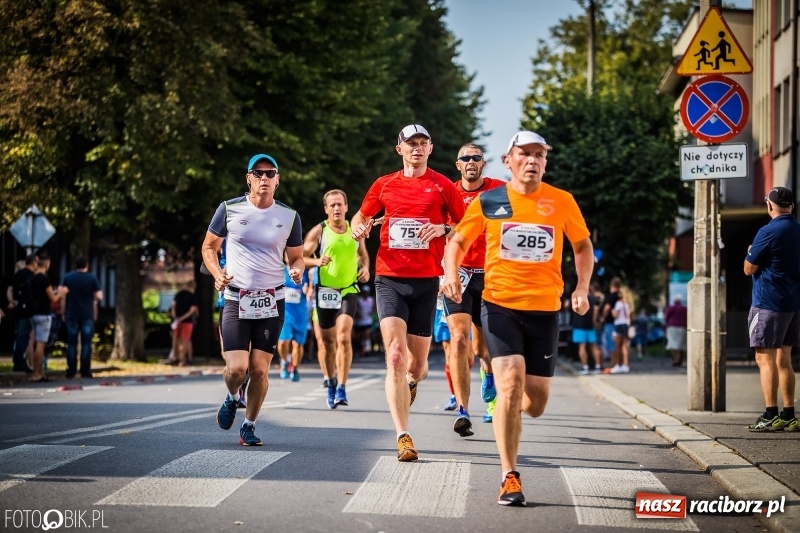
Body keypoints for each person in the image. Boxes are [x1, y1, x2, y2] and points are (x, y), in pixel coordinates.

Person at [442, 131, 593, 506]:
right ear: (508, 161)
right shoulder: (491, 200)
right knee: (509, 384)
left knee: (535, 402)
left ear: (545, 161)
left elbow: (582, 244)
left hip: (544, 311)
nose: (532, 160)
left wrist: (582, 287)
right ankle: (509, 475)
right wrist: (449, 273)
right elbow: (458, 241)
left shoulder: (561, 201)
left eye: (539, 154)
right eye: (524, 154)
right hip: (500, 306)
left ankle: (511, 412)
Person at [351, 124, 465, 462]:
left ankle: (411, 384)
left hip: (427, 281)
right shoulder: (384, 184)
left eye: (422, 143)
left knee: (417, 366)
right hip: (390, 278)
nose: (416, 149)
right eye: (410, 144)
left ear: (430, 148)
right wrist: (359, 226)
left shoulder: (443, 186)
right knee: (396, 356)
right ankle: (403, 436)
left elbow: (468, 225)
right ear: (399, 149)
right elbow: (362, 215)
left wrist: (443, 228)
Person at [201, 153, 304, 446]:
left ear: (278, 180)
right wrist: (216, 271)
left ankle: (249, 425)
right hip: (235, 298)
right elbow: (209, 247)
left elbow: (296, 257)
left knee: (259, 370)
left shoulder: (289, 216)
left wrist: (296, 270)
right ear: (248, 178)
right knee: (236, 369)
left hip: (272, 299)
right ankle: (233, 396)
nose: (264, 179)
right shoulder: (229, 209)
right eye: (258, 174)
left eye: (270, 174)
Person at [441, 142, 504, 437]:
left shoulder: (498, 189)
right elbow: (437, 229)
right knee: (458, 340)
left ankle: (488, 375)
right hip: (459, 276)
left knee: (482, 348)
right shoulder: (449, 194)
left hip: (489, 275)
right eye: (465, 158)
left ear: (483, 163)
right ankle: (463, 410)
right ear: (458, 165)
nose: (470, 162)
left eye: (476, 158)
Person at [303, 189, 370, 408]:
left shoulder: (354, 230)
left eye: (340, 204)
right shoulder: (319, 231)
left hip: (348, 289)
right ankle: (330, 380)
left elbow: (362, 255)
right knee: (327, 342)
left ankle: (341, 386)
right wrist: (316, 261)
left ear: (346, 207)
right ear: (326, 209)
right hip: (325, 292)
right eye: (332, 205)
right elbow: (299, 258)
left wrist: (366, 268)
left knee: (343, 337)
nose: (336, 208)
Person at [743, 186, 800, 432]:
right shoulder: (798, 230)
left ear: (769, 206)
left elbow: (748, 269)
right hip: (794, 304)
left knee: (764, 358)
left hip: (768, 304)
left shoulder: (767, 231)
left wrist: (749, 253)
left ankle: (769, 414)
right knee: (784, 358)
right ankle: (789, 414)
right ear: (792, 207)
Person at [29, 252, 68, 382]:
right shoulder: (44, 279)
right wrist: (61, 293)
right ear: (47, 264)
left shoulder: (32, 278)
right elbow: (52, 298)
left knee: (34, 342)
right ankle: (37, 373)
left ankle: (39, 372)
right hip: (44, 314)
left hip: (33, 313)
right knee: (41, 344)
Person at [62, 256, 103, 378]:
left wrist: (63, 312)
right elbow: (100, 296)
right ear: (87, 265)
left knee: (71, 343)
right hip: (87, 314)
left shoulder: (68, 278)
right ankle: (85, 370)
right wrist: (94, 300)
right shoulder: (92, 278)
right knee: (86, 343)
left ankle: (71, 370)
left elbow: (63, 296)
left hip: (72, 313)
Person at [277, 262, 311, 382]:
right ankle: (285, 361)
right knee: (282, 343)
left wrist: (308, 289)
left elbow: (310, 289)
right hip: (284, 314)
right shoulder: (280, 271)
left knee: (297, 344)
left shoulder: (305, 273)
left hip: (300, 314)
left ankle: (295, 368)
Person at [8, 254, 38, 373]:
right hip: (27, 311)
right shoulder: (31, 277)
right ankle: (19, 362)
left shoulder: (18, 275)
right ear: (33, 263)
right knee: (24, 337)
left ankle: (19, 361)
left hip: (18, 310)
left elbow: (10, 289)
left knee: (20, 336)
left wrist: (12, 301)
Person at [571, 284, 601, 374]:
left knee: (582, 346)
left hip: (579, 325)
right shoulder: (594, 298)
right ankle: (598, 366)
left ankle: (585, 367)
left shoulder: (577, 297)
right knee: (593, 346)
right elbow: (597, 310)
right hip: (590, 325)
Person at [433, 298, 455, 410]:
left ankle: (460, 385)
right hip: (443, 306)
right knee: (450, 357)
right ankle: (454, 394)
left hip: (466, 300)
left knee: (468, 359)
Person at [170, 283, 199, 366]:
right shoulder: (193, 296)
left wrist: (175, 317)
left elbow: (173, 306)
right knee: (185, 341)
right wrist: (182, 318)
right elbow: (193, 310)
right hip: (187, 322)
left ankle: (176, 357)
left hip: (177, 321)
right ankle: (183, 360)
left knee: (177, 340)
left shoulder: (178, 295)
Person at [609, 285, 633, 374]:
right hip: (626, 324)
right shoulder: (628, 304)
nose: (618, 294)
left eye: (620, 293)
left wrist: (613, 312)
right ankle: (625, 365)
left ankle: (617, 365)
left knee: (617, 346)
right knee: (624, 346)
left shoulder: (619, 303)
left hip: (619, 324)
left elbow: (616, 315)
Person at [599, 277, 621, 364]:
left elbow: (606, 308)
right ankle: (618, 363)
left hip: (610, 322)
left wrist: (603, 318)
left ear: (612, 285)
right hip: (619, 322)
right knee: (618, 344)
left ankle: (613, 363)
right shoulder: (620, 297)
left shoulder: (611, 296)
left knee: (611, 342)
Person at [664, 294, 687, 367]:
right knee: (681, 344)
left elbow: (666, 317)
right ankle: (680, 359)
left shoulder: (671, 308)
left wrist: (665, 326)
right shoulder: (685, 308)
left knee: (673, 344)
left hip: (672, 327)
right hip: (683, 327)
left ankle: (675, 360)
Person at [354, 286, 376, 357]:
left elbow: (374, 308)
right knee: (358, 337)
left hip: (368, 320)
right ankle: (359, 350)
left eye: (367, 292)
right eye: (364, 292)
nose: (365, 293)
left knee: (366, 335)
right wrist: (358, 313)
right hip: (359, 321)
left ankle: (366, 350)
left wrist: (372, 312)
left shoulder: (371, 300)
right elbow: (356, 307)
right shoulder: (359, 299)